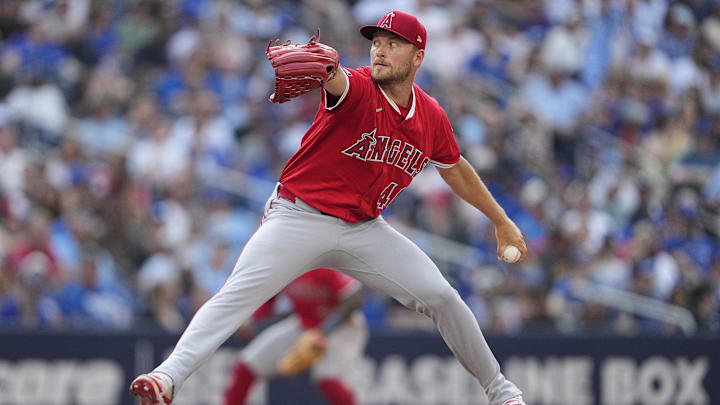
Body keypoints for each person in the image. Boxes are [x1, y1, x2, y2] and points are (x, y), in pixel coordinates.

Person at [131, 10, 528, 405]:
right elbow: (335, 78)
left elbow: (454, 167)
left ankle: (502, 392)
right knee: (236, 295)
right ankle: (167, 377)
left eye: (393, 44)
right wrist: (326, 69)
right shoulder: (356, 86)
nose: (380, 51)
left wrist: (500, 219)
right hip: (299, 217)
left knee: (442, 296)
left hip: (365, 230)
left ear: (418, 56)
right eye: (376, 43)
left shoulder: (431, 116)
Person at [223, 268, 367, 405]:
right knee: (247, 364)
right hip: (304, 324)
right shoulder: (283, 266)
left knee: (328, 377)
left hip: (343, 326)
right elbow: (269, 300)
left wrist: (323, 332)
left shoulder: (323, 261)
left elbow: (354, 300)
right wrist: (251, 321)